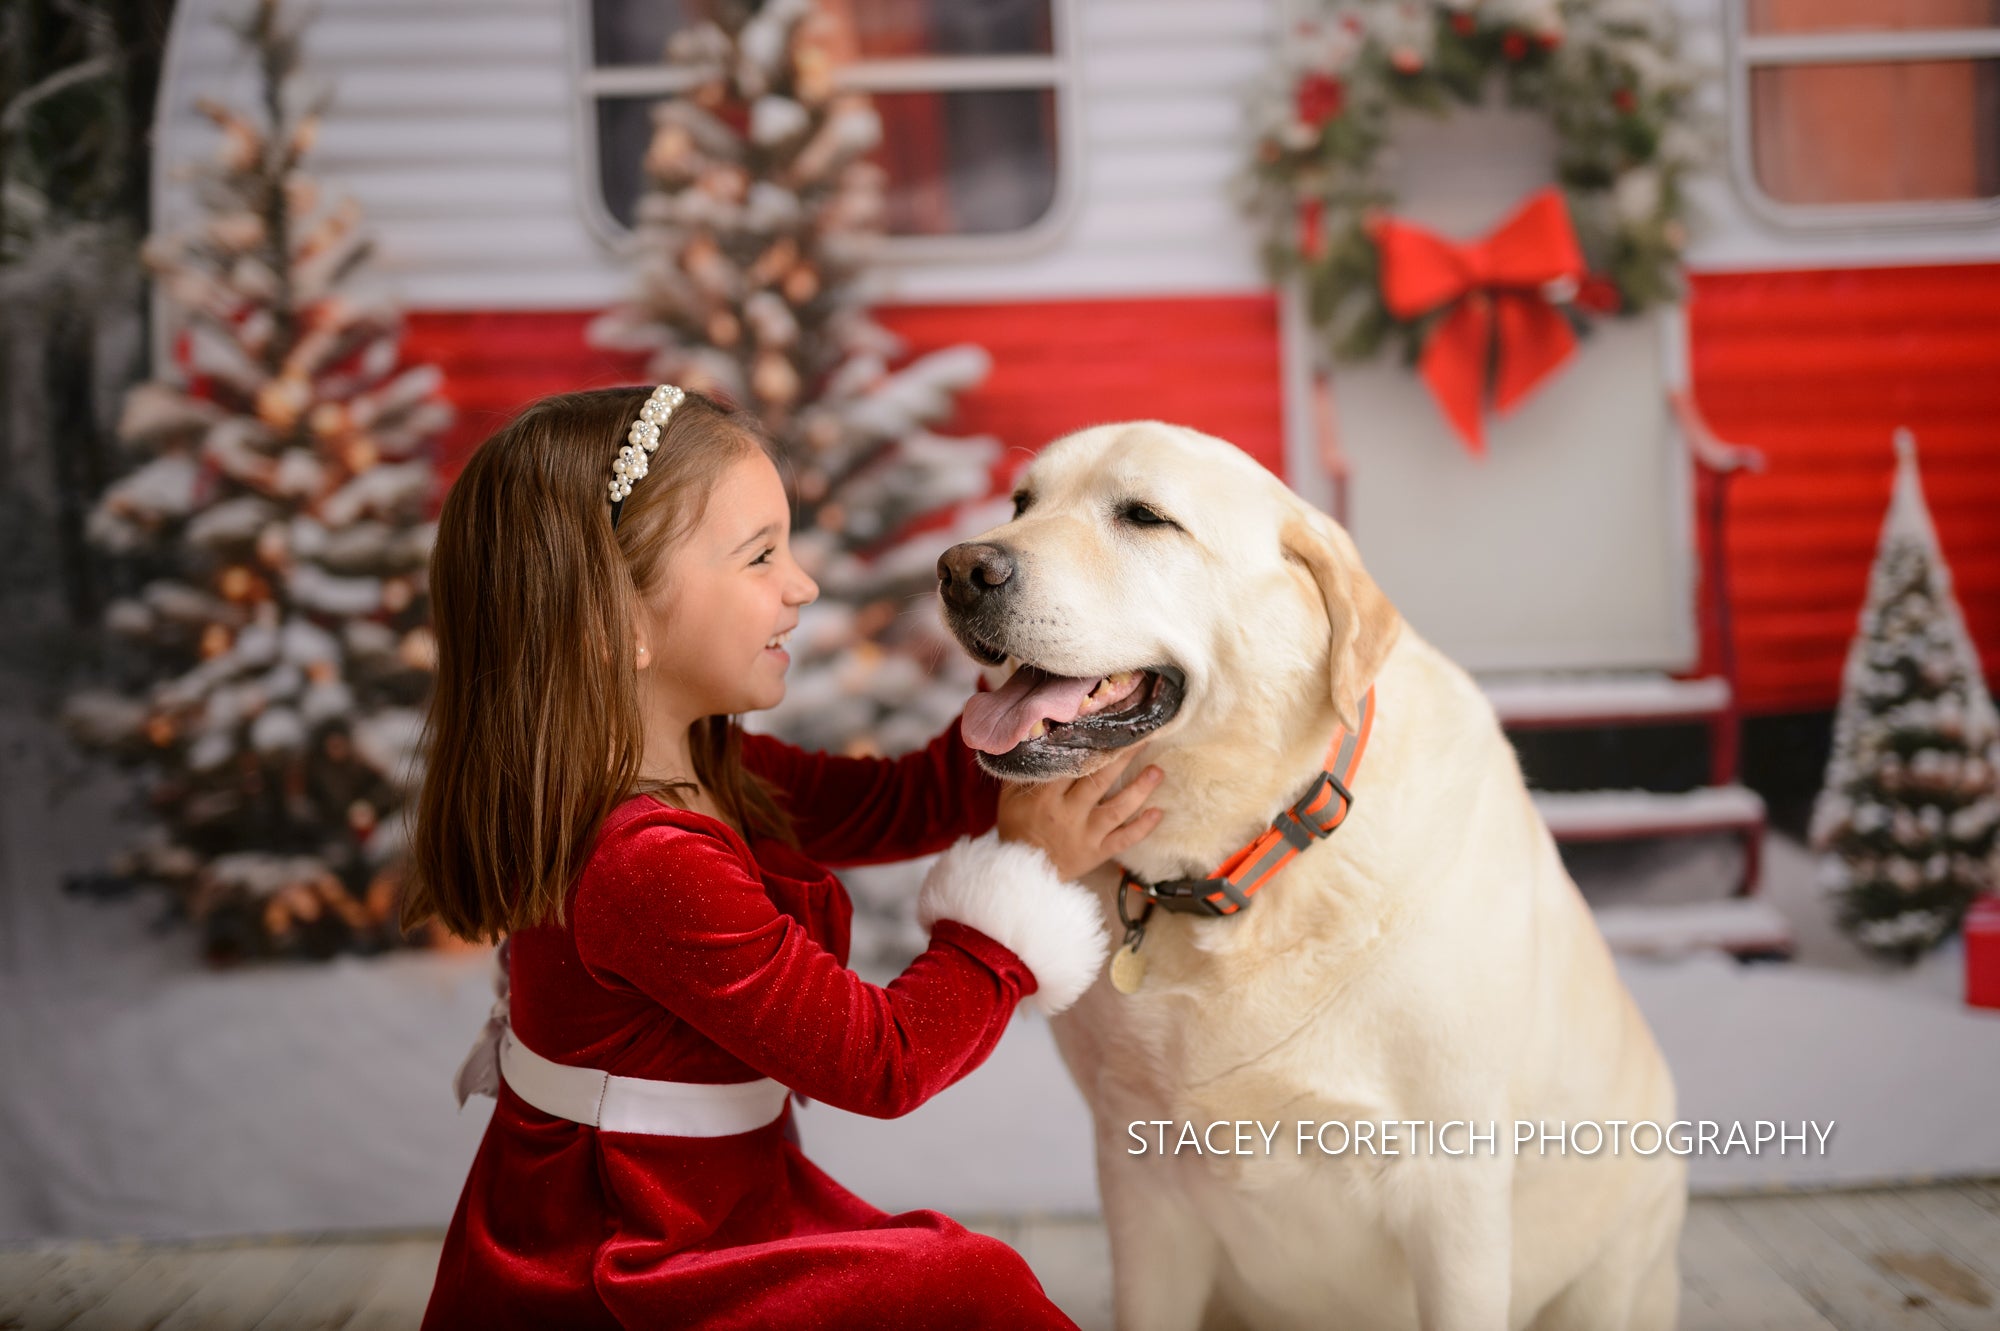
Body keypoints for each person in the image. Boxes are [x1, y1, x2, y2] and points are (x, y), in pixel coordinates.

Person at [402, 385, 1167, 1329]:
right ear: (615, 619)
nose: (801, 585)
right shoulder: (642, 862)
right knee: (970, 1284)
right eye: (761, 555)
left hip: (712, 1202)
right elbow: (882, 1060)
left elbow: (899, 803)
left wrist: (1035, 689)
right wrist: (1022, 873)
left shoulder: (710, 766)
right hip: (627, 1254)